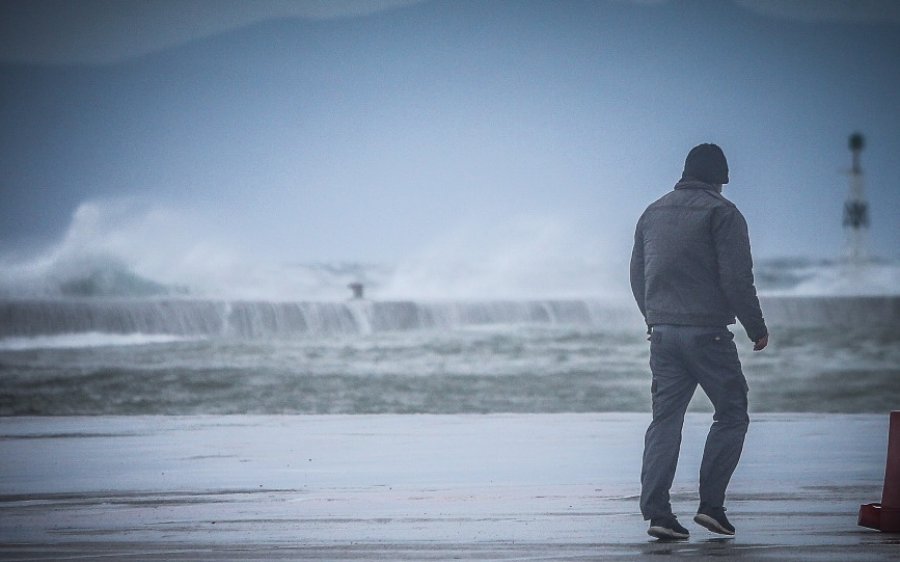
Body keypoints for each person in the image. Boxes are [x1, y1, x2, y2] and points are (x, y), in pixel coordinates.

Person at [629, 143, 768, 540]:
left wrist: (653, 318)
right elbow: (736, 278)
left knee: (665, 421)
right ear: (720, 180)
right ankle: (711, 507)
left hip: (663, 334)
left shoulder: (653, 211)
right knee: (731, 412)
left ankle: (658, 514)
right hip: (707, 333)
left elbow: (638, 274)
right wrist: (756, 326)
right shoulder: (723, 213)